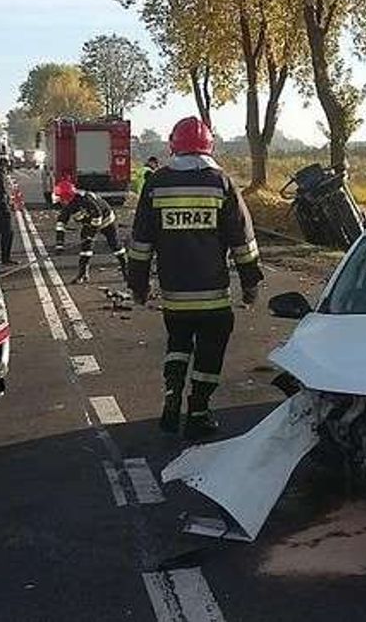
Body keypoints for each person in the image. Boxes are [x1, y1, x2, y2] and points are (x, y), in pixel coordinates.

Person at [126, 117, 262, 439]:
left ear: (173, 146)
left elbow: (141, 242)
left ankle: (172, 396)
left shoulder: (156, 183)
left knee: (178, 342)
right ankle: (198, 411)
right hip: (213, 295)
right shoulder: (221, 182)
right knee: (210, 349)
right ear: (209, 146)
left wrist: (138, 286)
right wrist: (250, 283)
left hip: (175, 296)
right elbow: (242, 240)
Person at [53, 178, 128, 284]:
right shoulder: (68, 204)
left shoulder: (85, 199)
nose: (60, 200)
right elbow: (61, 223)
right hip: (89, 223)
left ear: (67, 196)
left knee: (115, 246)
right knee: (85, 248)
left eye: (61, 198)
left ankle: (126, 270)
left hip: (107, 220)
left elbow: (97, 216)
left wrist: (91, 234)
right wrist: (59, 244)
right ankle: (83, 274)